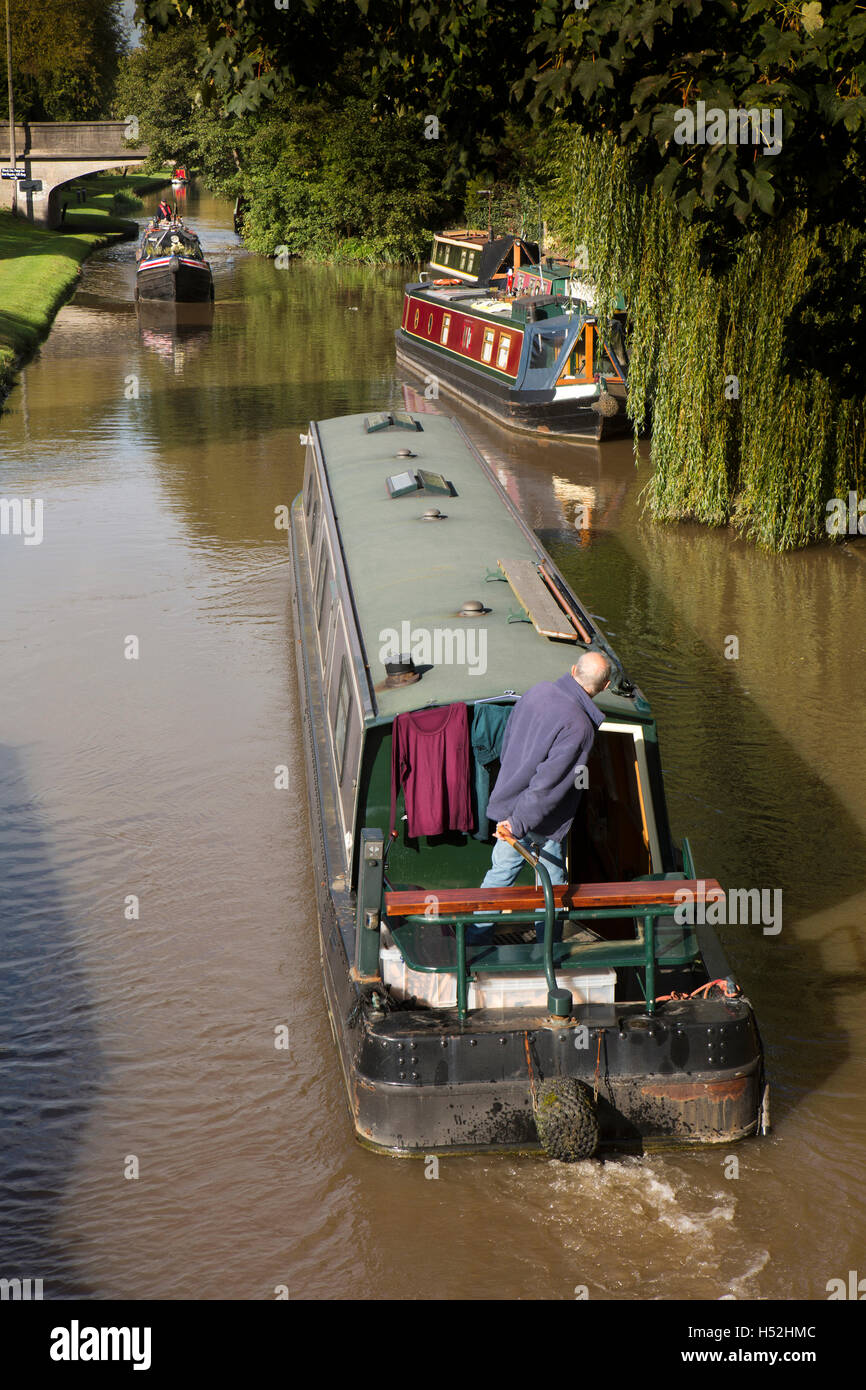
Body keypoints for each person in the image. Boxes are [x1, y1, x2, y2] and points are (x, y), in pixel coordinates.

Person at [468, 650, 612, 944]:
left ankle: (471, 941)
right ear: (606, 686)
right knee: (552, 886)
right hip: (538, 821)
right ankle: (548, 950)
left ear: (573, 670)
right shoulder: (580, 727)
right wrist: (519, 823)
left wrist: (511, 812)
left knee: (500, 875)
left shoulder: (537, 691)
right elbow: (549, 785)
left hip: (511, 806)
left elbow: (508, 745)